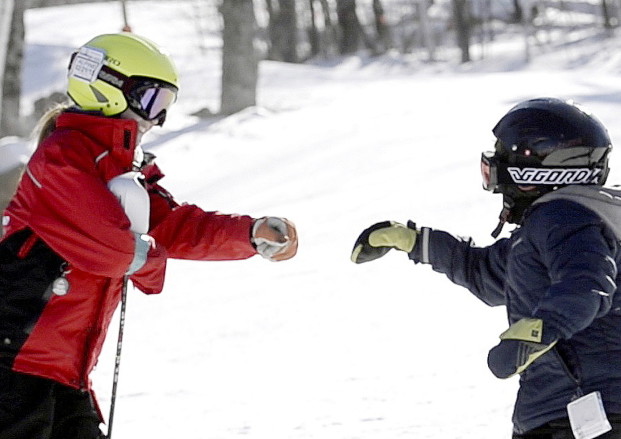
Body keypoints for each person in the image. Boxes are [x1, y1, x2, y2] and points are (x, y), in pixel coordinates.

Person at [0, 32, 298, 439]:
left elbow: (173, 226)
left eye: (166, 107)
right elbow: (112, 249)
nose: (157, 120)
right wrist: (150, 264)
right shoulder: (62, 157)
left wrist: (248, 234)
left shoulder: (124, 170)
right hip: (14, 364)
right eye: (153, 101)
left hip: (64, 371)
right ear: (109, 88)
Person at [351, 97, 621, 438]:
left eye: (503, 156)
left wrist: (537, 332)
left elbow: (587, 284)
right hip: (568, 410)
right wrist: (414, 241)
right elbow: (486, 273)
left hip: (587, 411)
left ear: (535, 170)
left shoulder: (564, 217)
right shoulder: (565, 225)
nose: (493, 172)